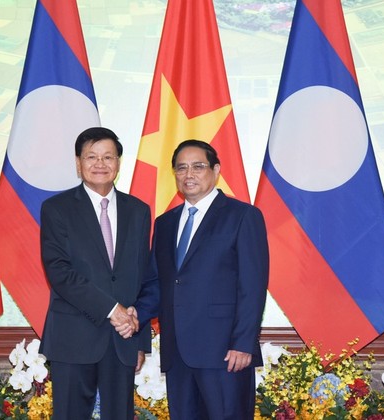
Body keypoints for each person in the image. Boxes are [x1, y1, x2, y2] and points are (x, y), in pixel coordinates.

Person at [134, 139, 269, 420]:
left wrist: (243, 343)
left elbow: (253, 286)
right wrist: (133, 317)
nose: (189, 174)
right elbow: (158, 284)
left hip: (225, 353)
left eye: (198, 166)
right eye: (181, 168)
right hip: (177, 355)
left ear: (216, 170)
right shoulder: (165, 223)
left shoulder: (243, 216)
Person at [39, 127, 151, 419]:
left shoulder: (138, 210)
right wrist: (113, 310)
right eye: (91, 157)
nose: (100, 164)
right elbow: (60, 272)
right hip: (73, 337)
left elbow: (143, 276)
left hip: (123, 339)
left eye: (107, 157)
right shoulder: (57, 209)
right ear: (78, 163)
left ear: (118, 163)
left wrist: (138, 338)